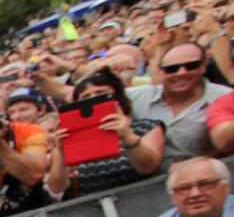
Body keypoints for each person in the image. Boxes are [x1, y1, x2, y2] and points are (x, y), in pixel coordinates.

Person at [46, 71, 165, 199]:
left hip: (145, 201)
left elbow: (148, 167)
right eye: (86, 97)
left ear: (118, 97)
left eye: (101, 93)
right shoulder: (71, 138)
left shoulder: (147, 127)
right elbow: (57, 187)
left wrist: (128, 136)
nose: (93, 99)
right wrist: (62, 152)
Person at [130, 41, 234, 164]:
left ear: (203, 66)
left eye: (191, 66)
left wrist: (193, 165)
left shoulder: (226, 97)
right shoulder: (135, 97)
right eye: (171, 69)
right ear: (159, 72)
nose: (181, 73)